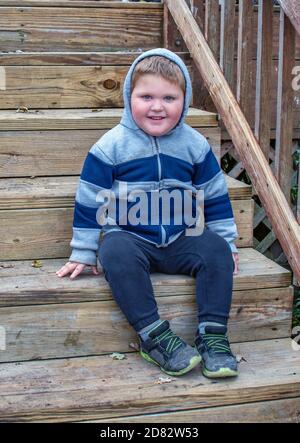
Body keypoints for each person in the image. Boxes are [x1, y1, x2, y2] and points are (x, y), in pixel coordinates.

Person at [56, 48, 239, 379]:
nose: (157, 106)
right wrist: (83, 250)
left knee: (214, 249)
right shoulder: (110, 146)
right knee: (114, 251)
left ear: (185, 101)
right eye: (147, 96)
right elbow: (88, 200)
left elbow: (214, 195)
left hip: (182, 237)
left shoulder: (195, 145)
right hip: (132, 237)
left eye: (170, 97)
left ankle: (213, 337)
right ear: (129, 97)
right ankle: (155, 338)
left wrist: (227, 241)